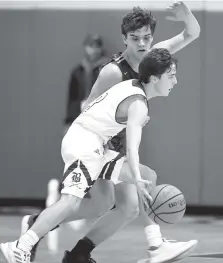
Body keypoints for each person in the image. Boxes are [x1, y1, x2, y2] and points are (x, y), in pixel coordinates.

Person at [20, 1, 200, 263]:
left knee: (118, 206)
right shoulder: (112, 72)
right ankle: (155, 244)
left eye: (147, 37)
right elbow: (88, 112)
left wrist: (188, 16)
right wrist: (93, 151)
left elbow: (191, 34)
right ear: (124, 38)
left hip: (118, 142)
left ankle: (71, 248)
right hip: (99, 143)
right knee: (135, 189)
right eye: (134, 38)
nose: (141, 43)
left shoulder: (155, 56)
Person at [1, 48, 181, 263]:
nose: (175, 81)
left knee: (146, 176)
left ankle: (154, 243)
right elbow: (132, 148)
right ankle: (20, 247)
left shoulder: (132, 88)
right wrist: (136, 177)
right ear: (154, 78)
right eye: (171, 76)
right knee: (71, 202)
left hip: (98, 147)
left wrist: (139, 177)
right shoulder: (138, 105)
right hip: (83, 144)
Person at [64, 34, 109, 128]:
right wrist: (69, 121)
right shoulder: (78, 71)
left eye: (97, 46)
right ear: (86, 47)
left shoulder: (108, 69)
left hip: (101, 118)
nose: (94, 50)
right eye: (91, 46)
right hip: (80, 116)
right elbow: (72, 99)